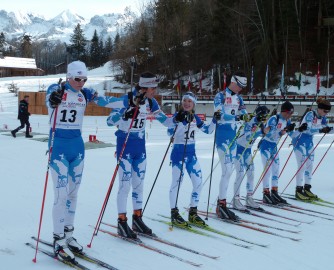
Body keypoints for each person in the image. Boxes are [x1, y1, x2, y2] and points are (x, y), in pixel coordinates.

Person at [46, 60, 124, 262]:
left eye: (84, 79)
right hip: (59, 148)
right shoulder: (56, 89)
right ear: (69, 77)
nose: (81, 82)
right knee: (61, 195)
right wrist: (53, 97)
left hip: (77, 147)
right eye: (77, 78)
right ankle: (58, 239)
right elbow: (50, 98)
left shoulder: (85, 93)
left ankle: (68, 235)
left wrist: (130, 101)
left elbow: (106, 102)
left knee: (73, 194)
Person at [106, 72, 175, 239]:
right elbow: (109, 121)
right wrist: (125, 113)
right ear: (144, 87)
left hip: (140, 148)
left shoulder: (151, 102)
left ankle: (137, 218)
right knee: (125, 185)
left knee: (139, 185)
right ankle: (122, 221)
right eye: (153, 88)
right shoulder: (127, 99)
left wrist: (178, 119)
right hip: (125, 147)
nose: (155, 91)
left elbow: (165, 121)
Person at [168, 92, 217, 227]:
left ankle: (193, 213)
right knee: (176, 184)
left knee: (198, 183)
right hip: (178, 155)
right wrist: (179, 123)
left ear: (194, 104)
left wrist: (214, 120)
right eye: (185, 100)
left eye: (190, 101)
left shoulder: (195, 118)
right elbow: (169, 131)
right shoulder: (176, 116)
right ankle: (174, 213)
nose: (187, 103)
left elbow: (208, 130)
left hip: (191, 155)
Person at [292, 98, 334, 200]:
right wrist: (321, 130)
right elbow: (308, 129)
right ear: (320, 109)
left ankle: (307, 188)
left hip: (309, 142)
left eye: (328, 112)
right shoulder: (310, 115)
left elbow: (327, 129)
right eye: (325, 111)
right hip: (299, 140)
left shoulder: (323, 117)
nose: (326, 113)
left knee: (310, 165)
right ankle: (298, 190)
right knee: (302, 165)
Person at [213, 71, 249, 220]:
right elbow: (219, 115)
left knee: (230, 171)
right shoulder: (220, 96)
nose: (241, 89)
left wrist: (249, 117)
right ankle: (221, 205)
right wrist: (237, 116)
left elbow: (244, 114)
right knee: (226, 170)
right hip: (222, 137)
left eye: (243, 87)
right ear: (233, 81)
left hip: (233, 137)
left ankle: (222, 203)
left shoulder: (239, 98)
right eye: (239, 85)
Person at [233, 105, 270, 210]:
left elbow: (263, 134)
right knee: (240, 174)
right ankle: (236, 200)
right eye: (264, 115)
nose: (265, 118)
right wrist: (261, 132)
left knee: (251, 173)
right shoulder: (250, 122)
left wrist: (263, 135)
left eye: (266, 116)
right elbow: (249, 136)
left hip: (247, 150)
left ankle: (249, 198)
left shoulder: (261, 123)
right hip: (238, 150)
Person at [259, 101, 295, 205]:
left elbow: (291, 134)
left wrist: (292, 129)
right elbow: (269, 132)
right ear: (284, 111)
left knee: (276, 168)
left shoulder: (287, 120)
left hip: (273, 146)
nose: (290, 115)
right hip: (266, 145)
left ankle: (274, 191)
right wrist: (282, 132)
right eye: (289, 113)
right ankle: (266, 193)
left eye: (291, 114)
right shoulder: (274, 119)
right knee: (267, 170)